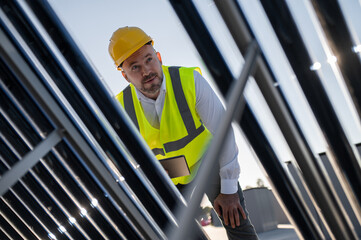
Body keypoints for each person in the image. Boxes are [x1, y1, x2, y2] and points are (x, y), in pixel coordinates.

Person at [108, 26, 258, 240]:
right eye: (135, 67)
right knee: (171, 232)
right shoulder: (120, 108)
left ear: (158, 57)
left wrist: (229, 189)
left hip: (207, 160)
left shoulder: (189, 82)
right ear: (125, 76)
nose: (146, 71)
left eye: (149, 60)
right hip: (168, 171)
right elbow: (116, 160)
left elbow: (223, 132)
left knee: (235, 219)